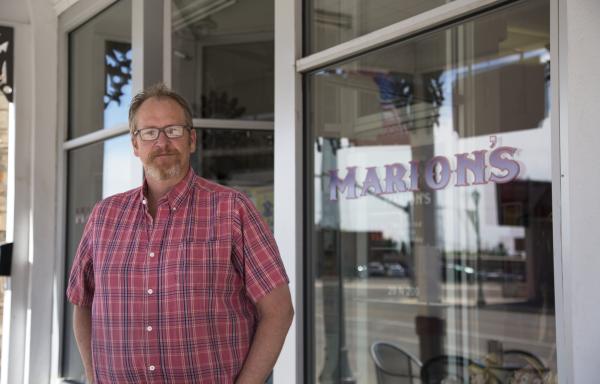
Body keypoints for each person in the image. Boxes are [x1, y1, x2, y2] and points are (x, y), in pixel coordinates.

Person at [67, 84, 294, 383]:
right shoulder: (104, 217)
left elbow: (278, 311)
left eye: (173, 130)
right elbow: (82, 303)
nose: (162, 142)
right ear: (135, 145)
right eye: (149, 132)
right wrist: (94, 376)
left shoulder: (232, 210)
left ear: (191, 139)